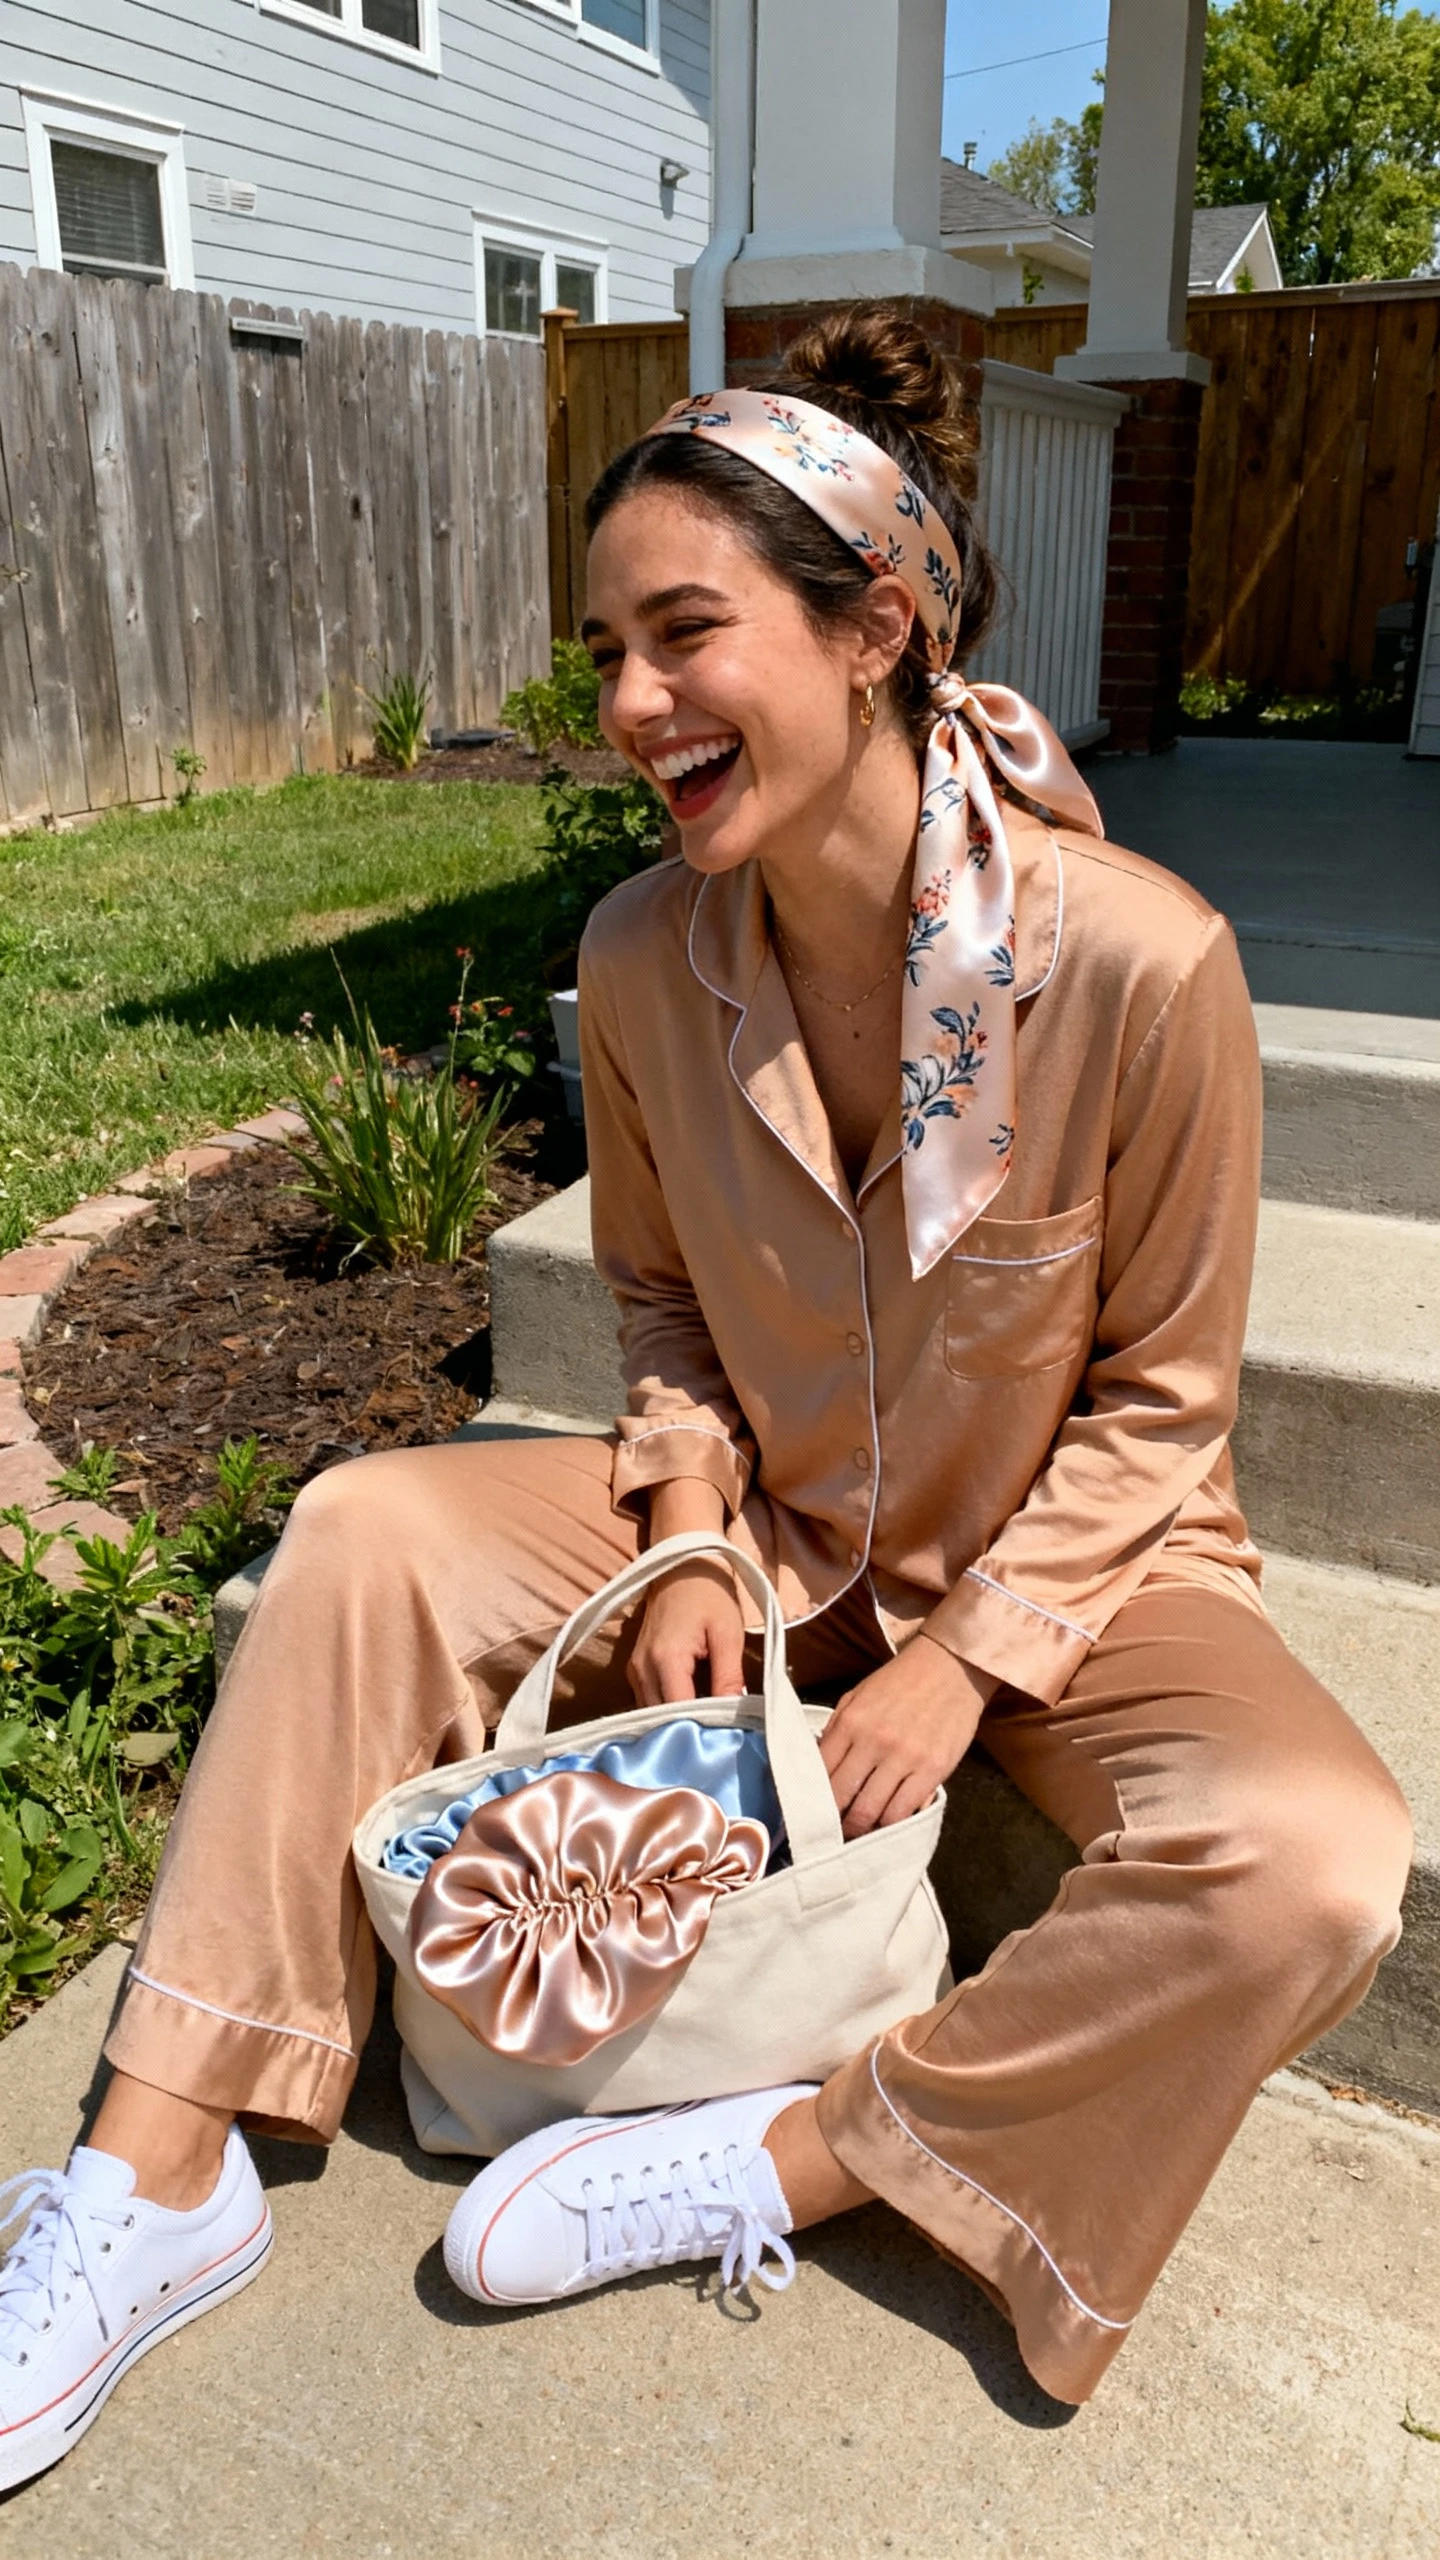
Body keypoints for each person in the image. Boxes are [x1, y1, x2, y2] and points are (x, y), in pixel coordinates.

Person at [0, 311, 1411, 2486]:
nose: (631, 705)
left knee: (1313, 1858)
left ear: (877, 624)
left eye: (686, 631)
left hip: (1073, 1565)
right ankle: (154, 2164)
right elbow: (654, 1296)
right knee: (369, 1526)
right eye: (605, 648)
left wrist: (969, 1656)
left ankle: (797, 2149)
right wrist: (682, 1511)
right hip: (767, 1525)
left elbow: (1163, 1399)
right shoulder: (649, 955)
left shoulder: (1145, 965)